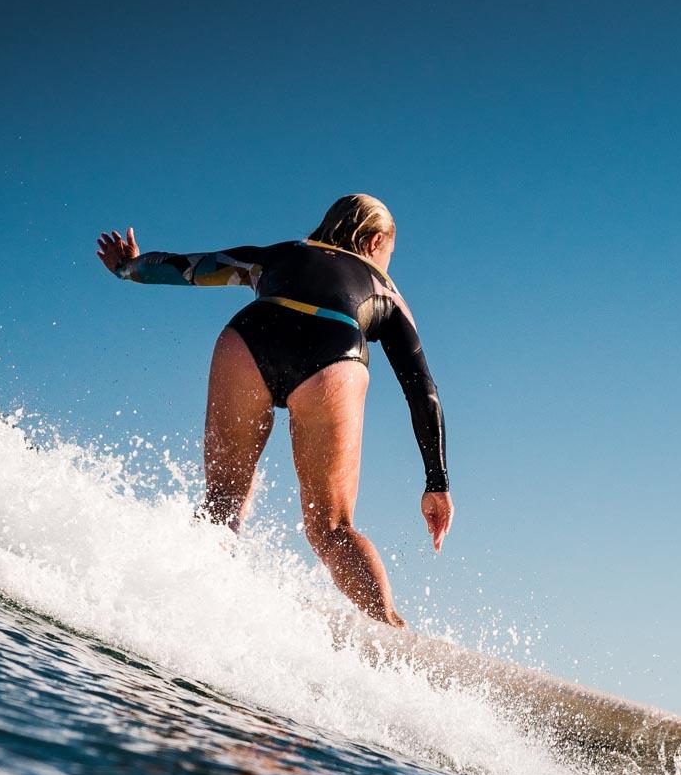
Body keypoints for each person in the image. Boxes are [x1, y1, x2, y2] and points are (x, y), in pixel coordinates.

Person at [95, 194, 451, 627]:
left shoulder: (281, 254)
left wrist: (128, 267)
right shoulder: (384, 290)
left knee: (223, 499)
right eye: (389, 254)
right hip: (334, 351)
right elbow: (421, 389)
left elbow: (187, 267)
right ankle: (390, 632)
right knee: (333, 530)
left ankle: (183, 608)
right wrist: (436, 481)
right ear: (376, 240)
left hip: (253, 334)